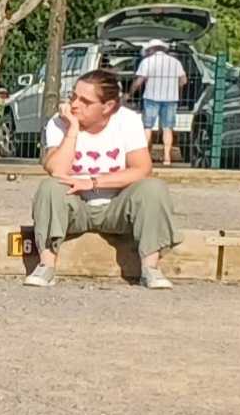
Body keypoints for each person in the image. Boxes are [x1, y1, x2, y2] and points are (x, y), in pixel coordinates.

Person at [27, 69, 180, 289]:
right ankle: (46, 266)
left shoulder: (127, 121)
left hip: (117, 207)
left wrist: (93, 182)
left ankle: (150, 268)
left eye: (85, 101)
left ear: (107, 107)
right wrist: (72, 129)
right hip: (75, 206)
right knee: (50, 187)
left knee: (153, 188)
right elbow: (57, 170)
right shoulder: (59, 123)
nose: (74, 105)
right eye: (73, 96)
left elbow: (142, 169)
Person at [132, 41, 188, 167]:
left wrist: (131, 93)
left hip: (151, 97)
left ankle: (144, 156)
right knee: (167, 128)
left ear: (151, 49)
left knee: (147, 127)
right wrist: (176, 88)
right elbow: (184, 80)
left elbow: (139, 81)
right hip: (171, 98)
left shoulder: (147, 62)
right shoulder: (175, 62)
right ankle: (167, 157)